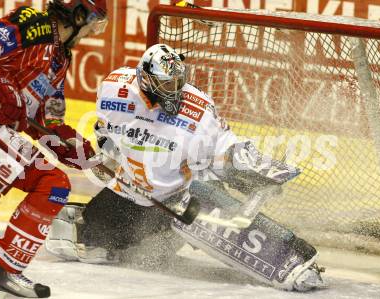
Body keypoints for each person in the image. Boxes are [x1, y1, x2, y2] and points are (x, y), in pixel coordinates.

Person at [45, 44, 326, 291]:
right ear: (146, 80)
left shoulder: (198, 108)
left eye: (178, 82)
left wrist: (248, 166)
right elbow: (105, 128)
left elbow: (224, 145)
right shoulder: (113, 89)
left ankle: (288, 255)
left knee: (183, 229)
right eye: (167, 85)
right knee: (88, 241)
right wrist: (107, 146)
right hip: (127, 195)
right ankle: (141, 239)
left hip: (178, 198)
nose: (175, 90)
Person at [0, 1, 107, 298]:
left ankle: (5, 271)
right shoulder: (32, 24)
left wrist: (78, 150)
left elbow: (48, 117)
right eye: (93, 23)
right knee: (51, 183)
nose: (92, 32)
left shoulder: (62, 58)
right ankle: (6, 271)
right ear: (77, 15)